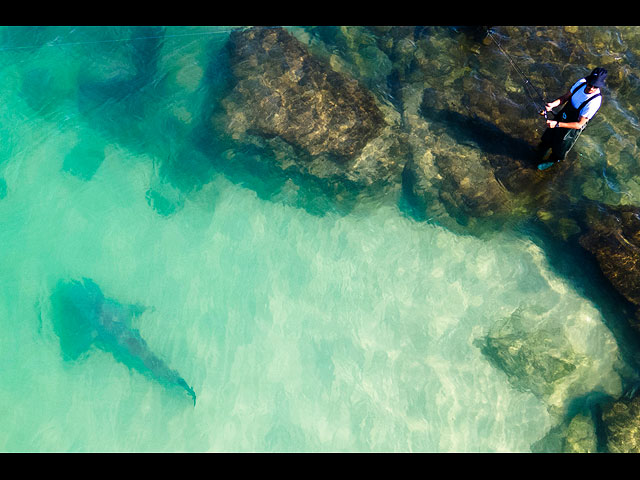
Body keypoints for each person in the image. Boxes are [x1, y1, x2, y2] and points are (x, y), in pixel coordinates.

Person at [537, 67, 607, 170]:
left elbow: (579, 124)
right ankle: (541, 150)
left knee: (561, 146)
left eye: (595, 86)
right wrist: (552, 105)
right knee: (549, 137)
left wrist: (557, 124)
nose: (591, 88)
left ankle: (553, 159)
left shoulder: (594, 102)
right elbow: (565, 97)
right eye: (590, 84)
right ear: (587, 80)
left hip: (574, 125)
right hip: (564, 114)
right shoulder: (581, 82)